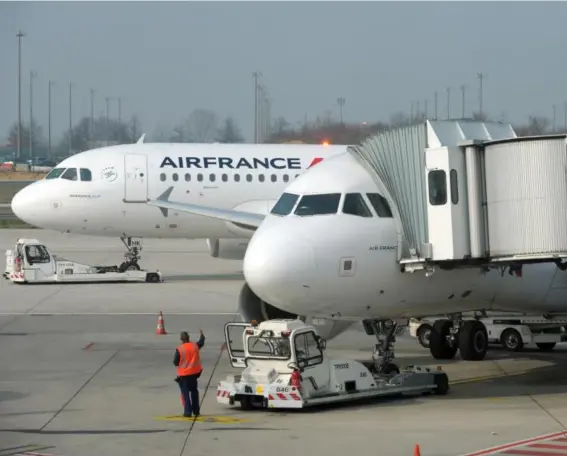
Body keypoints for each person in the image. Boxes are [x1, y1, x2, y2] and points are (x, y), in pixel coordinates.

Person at [174, 329, 205, 417]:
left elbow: (175, 362)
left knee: (185, 393)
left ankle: (188, 412)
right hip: (194, 374)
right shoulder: (194, 346)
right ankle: (196, 410)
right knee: (194, 391)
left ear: (181, 339)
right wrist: (202, 336)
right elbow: (201, 343)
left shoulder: (180, 349)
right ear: (188, 338)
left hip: (184, 375)